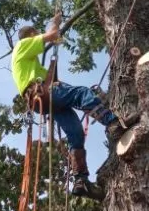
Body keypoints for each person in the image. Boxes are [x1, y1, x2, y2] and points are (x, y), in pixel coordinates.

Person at [11, 13, 128, 201]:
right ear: (31, 35)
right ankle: (112, 123)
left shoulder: (30, 64)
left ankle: (80, 180)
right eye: (36, 34)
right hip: (42, 93)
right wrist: (55, 23)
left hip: (43, 101)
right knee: (81, 93)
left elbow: (52, 79)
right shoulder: (22, 45)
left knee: (76, 133)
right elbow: (51, 34)